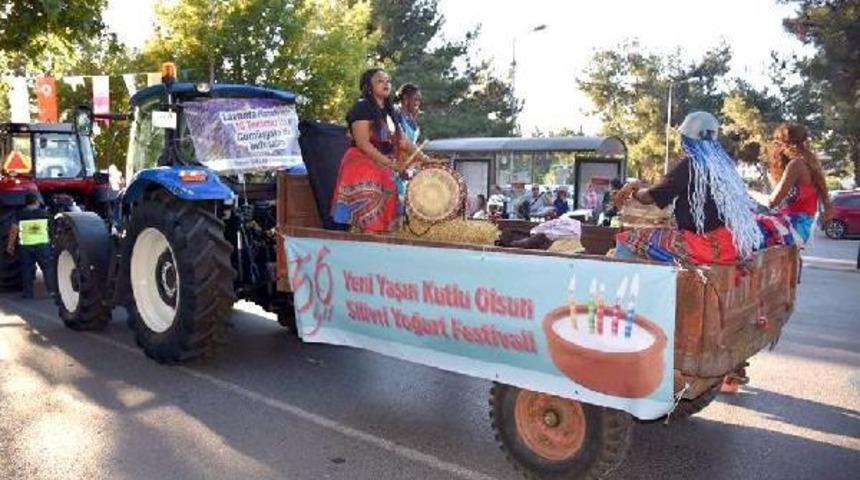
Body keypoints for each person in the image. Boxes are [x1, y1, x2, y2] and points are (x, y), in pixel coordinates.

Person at [614, 111, 762, 265]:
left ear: (688, 138)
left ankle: (619, 278)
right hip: (729, 244)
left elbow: (648, 198)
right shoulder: (725, 167)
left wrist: (634, 189)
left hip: (703, 245)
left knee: (627, 240)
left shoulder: (691, 165)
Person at [331, 68, 429, 233]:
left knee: (389, 224)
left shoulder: (389, 112)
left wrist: (425, 159)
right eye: (380, 81)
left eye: (388, 81)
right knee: (370, 225)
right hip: (362, 166)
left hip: (383, 168)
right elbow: (363, 144)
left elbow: (403, 141)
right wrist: (391, 164)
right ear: (368, 86)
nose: (386, 84)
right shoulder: (361, 107)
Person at [750, 123, 832, 248]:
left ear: (783, 144)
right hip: (800, 227)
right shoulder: (808, 163)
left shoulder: (796, 165)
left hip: (794, 227)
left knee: (745, 231)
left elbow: (771, 202)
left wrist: (749, 192)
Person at [7, 192, 56, 298]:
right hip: (43, 245)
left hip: (26, 247)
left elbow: (14, 230)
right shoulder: (45, 213)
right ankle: (52, 291)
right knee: (47, 268)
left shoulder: (20, 214)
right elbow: (52, 230)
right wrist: (52, 243)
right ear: (37, 202)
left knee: (26, 270)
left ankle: (28, 293)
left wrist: (10, 245)